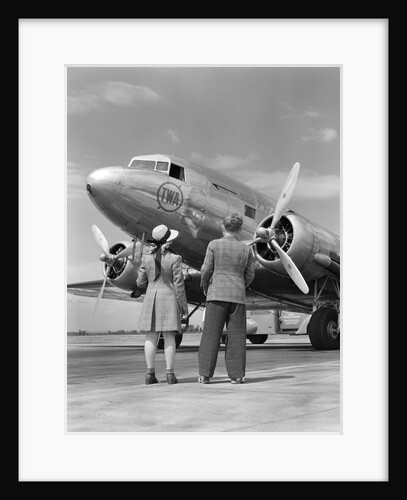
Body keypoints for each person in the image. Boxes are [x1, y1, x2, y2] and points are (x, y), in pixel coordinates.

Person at [198, 213, 256, 384]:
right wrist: (240, 285)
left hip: (216, 293)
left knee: (210, 336)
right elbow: (250, 274)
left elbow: (206, 269)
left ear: (223, 227)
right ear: (239, 230)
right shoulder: (246, 249)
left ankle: (205, 375)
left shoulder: (214, 245)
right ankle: (237, 375)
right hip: (237, 295)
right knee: (237, 337)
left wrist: (206, 284)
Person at [136, 224, 188, 385]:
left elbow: (139, 282)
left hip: (151, 298)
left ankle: (150, 375)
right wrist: (183, 307)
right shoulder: (175, 259)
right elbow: (179, 286)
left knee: (150, 336)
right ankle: (170, 375)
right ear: (169, 241)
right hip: (168, 298)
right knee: (169, 337)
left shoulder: (145, 258)